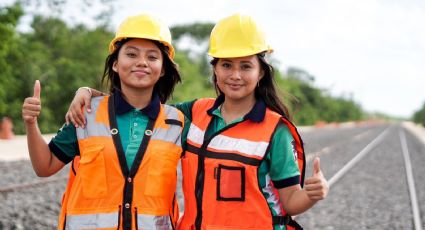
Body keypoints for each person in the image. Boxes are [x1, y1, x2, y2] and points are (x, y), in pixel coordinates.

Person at [66, 13, 329, 230]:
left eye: (246, 66)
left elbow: (291, 201)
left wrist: (311, 194)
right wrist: (89, 93)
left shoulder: (275, 131)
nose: (235, 75)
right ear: (215, 69)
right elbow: (140, 105)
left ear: (261, 72)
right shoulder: (192, 114)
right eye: (226, 65)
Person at [22, 14, 185, 230]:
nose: (142, 62)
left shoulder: (178, 122)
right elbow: (45, 166)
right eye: (131, 54)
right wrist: (31, 124)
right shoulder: (86, 114)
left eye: (153, 57)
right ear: (116, 64)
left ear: (163, 69)